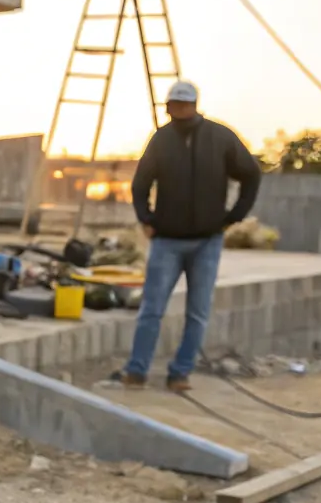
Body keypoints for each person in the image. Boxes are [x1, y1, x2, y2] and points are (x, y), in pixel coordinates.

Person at [111, 79, 261, 392]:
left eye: (183, 104)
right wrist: (146, 218)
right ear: (168, 107)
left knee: (198, 312)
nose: (178, 110)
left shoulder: (220, 137)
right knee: (152, 310)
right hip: (166, 240)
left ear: (194, 105)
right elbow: (140, 184)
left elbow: (250, 173)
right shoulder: (161, 139)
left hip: (207, 241)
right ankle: (136, 370)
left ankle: (180, 373)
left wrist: (234, 216)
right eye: (173, 105)